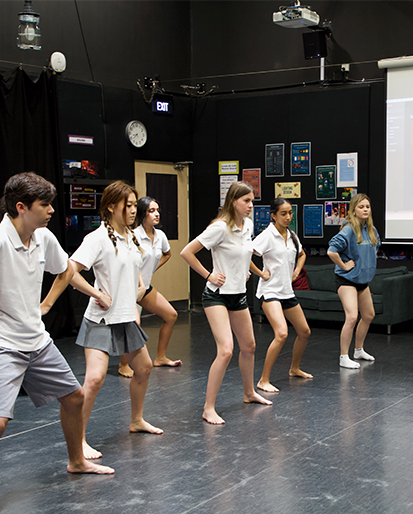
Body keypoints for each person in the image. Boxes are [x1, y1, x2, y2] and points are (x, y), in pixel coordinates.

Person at [0, 172, 114, 514]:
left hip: (36, 340)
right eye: (44, 204)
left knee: (74, 396)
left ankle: (77, 461)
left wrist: (49, 304)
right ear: (21, 207)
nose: (51, 210)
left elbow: (65, 270)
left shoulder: (42, 237)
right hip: (0, 344)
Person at [70, 181, 163, 460]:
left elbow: (134, 270)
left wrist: (137, 291)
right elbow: (70, 272)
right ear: (111, 206)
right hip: (101, 319)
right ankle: (79, 439)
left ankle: (136, 420)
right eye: (129, 205)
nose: (134, 210)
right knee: (95, 378)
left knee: (144, 368)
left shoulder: (130, 237)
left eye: (136, 205)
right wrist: (96, 292)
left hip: (125, 318)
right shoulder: (97, 238)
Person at [180, 181, 271, 425]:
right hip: (216, 296)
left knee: (249, 346)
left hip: (238, 294)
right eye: (246, 201)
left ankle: (249, 392)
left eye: (252, 201)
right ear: (233, 202)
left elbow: (241, 254)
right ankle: (208, 407)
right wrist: (209, 275)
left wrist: (243, 271)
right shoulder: (219, 228)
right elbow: (187, 252)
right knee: (226, 350)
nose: (251, 205)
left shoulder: (248, 225)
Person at [249, 198, 312, 392]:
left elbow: (302, 254)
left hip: (286, 291)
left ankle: (294, 369)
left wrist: (296, 271)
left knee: (304, 331)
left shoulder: (292, 235)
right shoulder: (267, 235)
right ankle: (263, 380)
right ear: (273, 215)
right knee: (282, 333)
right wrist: (260, 273)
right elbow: (245, 254)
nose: (288, 217)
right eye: (283, 213)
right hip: (269, 291)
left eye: (290, 213)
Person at [117, 196, 182, 378]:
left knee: (171, 315)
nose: (156, 214)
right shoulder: (133, 236)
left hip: (144, 288)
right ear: (142, 214)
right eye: (151, 211)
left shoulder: (160, 236)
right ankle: (123, 364)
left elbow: (167, 254)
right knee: (131, 324)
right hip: (129, 289)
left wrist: (152, 268)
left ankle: (160, 357)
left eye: (157, 210)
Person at [327, 193, 381, 369]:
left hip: (362, 281)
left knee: (368, 315)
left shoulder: (372, 230)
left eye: (367, 207)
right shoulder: (349, 229)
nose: (365, 209)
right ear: (353, 210)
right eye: (361, 207)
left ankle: (358, 350)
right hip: (346, 280)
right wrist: (343, 265)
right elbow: (331, 251)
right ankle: (344, 356)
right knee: (351, 317)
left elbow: (375, 249)